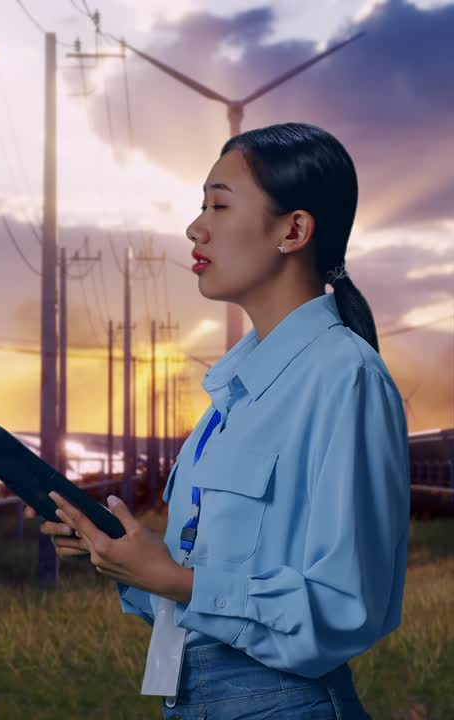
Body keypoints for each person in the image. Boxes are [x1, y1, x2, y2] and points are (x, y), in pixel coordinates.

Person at [40, 122, 410, 719]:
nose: (195, 227)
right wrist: (129, 561)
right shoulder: (231, 395)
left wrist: (180, 581)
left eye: (218, 203)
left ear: (294, 229)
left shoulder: (345, 377)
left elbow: (347, 606)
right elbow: (207, 586)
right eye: (199, 205)